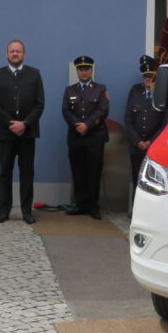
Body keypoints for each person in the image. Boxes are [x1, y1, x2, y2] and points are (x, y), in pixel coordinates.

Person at [0, 39, 44, 224]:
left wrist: (25, 124)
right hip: (5, 132)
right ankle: (4, 211)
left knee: (27, 172)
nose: (15, 54)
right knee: (5, 171)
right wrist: (11, 124)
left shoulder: (34, 74)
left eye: (18, 51)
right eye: (12, 51)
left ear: (24, 54)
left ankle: (26, 211)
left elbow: (39, 104)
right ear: (7, 54)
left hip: (27, 133)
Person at [62, 55, 109, 219]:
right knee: (78, 172)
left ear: (91, 70)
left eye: (87, 69)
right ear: (77, 71)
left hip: (95, 137)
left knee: (94, 172)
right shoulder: (70, 90)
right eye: (81, 69)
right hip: (76, 138)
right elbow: (66, 111)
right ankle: (80, 204)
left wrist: (87, 125)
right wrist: (78, 126)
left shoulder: (100, 89)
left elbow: (103, 111)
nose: (84, 72)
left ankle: (93, 206)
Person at [124, 54, 167, 185]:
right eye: (146, 76)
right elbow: (128, 118)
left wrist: (151, 142)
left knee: (154, 184)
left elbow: (165, 123)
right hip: (137, 147)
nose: (148, 79)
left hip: (154, 147)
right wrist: (137, 141)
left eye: (151, 76)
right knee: (137, 180)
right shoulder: (135, 90)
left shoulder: (162, 93)